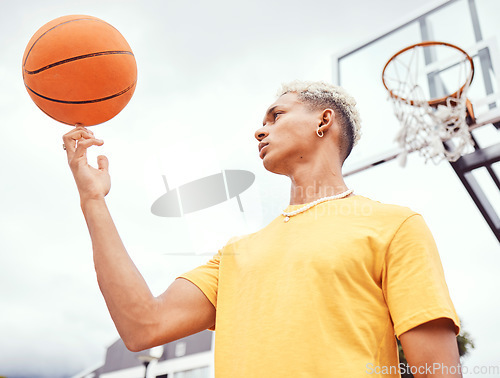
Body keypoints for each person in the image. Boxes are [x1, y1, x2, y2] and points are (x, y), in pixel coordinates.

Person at [63, 81, 462, 377]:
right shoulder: (237, 253)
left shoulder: (394, 226)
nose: (260, 130)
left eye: (276, 116)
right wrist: (92, 200)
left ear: (324, 121)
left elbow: (438, 370)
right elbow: (143, 326)